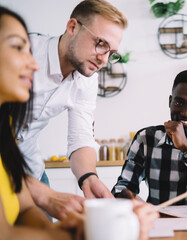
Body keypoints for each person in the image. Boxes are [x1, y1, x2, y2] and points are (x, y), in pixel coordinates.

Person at [15, 0, 127, 219]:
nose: (104, 59)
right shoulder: (22, 53)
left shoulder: (87, 79)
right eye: (100, 43)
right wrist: (43, 195)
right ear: (72, 27)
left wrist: (89, 178)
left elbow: (80, 137)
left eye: (111, 52)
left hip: (30, 168)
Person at [0, 6, 85, 239]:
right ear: (73, 28)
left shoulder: (4, 131)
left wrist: (54, 230)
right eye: (18, 47)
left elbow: (25, 209)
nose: (34, 65)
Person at [112, 69, 187, 205]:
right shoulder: (146, 138)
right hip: (160, 221)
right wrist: (134, 201)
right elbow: (121, 188)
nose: (186, 112)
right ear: (170, 101)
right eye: (179, 103)